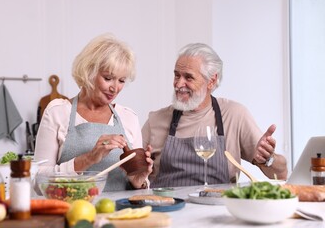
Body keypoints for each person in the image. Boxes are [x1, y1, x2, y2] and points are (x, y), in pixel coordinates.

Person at [142, 43, 288, 188]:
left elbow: (280, 174)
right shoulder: (155, 121)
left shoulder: (234, 115)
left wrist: (269, 158)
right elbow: (132, 178)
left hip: (217, 208)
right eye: (177, 75)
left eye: (188, 77)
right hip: (169, 209)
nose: (179, 84)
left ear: (211, 81)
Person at [34, 34, 153, 191]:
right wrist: (88, 159)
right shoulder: (58, 112)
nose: (115, 88)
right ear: (88, 72)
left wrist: (139, 181)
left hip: (122, 214)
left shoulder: (128, 117)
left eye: (121, 80)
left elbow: (139, 190)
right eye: (108, 78)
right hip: (74, 212)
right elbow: (38, 182)